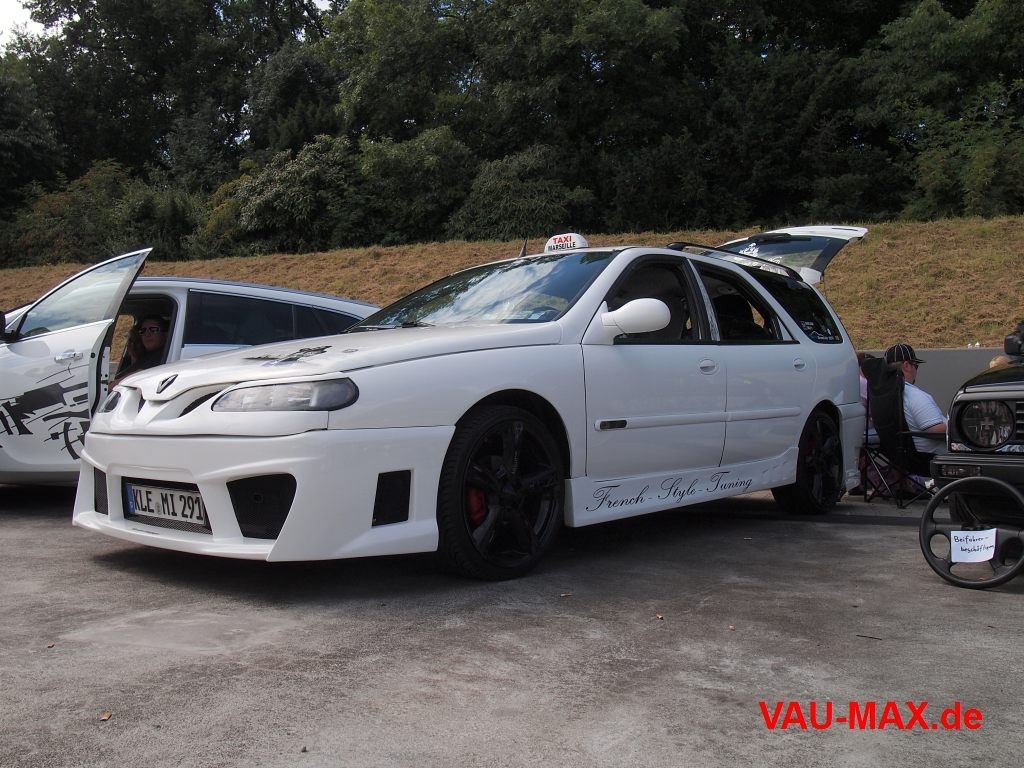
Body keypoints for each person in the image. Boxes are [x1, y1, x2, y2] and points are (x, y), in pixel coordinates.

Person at [884, 342, 946, 466]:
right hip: (933, 461)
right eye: (916, 366)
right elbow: (937, 431)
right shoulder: (914, 395)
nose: (916, 371)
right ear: (907, 366)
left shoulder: (884, 395)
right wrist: (961, 426)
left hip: (904, 461)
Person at [111, 314, 168, 386]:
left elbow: (139, 374)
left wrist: (111, 385)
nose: (147, 334)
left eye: (153, 330)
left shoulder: (163, 355)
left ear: (165, 334)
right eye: (143, 331)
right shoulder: (145, 356)